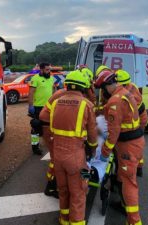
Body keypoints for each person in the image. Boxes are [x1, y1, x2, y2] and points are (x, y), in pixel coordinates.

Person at [46, 70, 98, 225]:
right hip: (76, 156)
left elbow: (50, 126)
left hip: (57, 155)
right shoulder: (87, 105)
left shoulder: (55, 103)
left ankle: (63, 220)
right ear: (83, 88)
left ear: (66, 85)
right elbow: (92, 133)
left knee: (63, 190)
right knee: (79, 192)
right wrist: (93, 149)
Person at [95, 70, 145, 225]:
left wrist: (105, 151)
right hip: (134, 142)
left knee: (129, 182)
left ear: (106, 86)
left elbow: (114, 132)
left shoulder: (115, 101)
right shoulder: (124, 92)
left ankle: (134, 221)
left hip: (127, 147)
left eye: (102, 89)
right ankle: (124, 206)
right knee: (125, 178)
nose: (102, 92)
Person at [115, 69, 148, 177]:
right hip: (141, 116)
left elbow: (128, 112)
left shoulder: (128, 94)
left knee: (134, 144)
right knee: (137, 145)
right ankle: (138, 166)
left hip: (140, 118)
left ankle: (135, 168)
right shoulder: (132, 85)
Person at [28, 62, 55, 155]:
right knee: (36, 126)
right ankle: (35, 147)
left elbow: (54, 89)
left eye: (49, 70)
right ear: (41, 69)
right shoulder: (35, 78)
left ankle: (49, 143)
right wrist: (30, 106)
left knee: (49, 126)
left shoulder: (51, 78)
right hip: (38, 107)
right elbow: (31, 93)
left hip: (49, 107)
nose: (49, 71)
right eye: (47, 70)